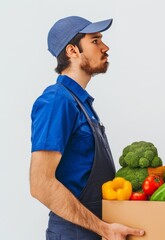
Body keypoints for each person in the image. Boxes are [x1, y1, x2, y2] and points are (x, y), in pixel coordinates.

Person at [29, 16, 145, 240]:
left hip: (95, 230)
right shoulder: (57, 101)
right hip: (75, 233)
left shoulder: (81, 103)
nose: (105, 46)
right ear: (72, 51)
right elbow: (40, 184)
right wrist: (104, 229)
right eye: (95, 40)